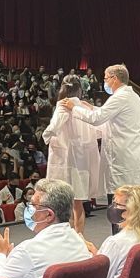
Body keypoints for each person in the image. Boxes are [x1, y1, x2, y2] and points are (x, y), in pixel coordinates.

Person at [60, 64, 140, 202]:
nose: (104, 82)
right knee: (130, 204)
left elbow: (97, 119)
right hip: (130, 154)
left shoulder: (120, 97)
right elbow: (109, 120)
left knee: (121, 206)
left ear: (114, 78)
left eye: (105, 79)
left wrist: (74, 108)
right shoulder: (133, 96)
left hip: (121, 157)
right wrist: (92, 108)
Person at [43, 75, 106, 232]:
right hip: (84, 159)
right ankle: (80, 236)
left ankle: (70, 236)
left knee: (67, 203)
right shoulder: (84, 106)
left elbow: (55, 125)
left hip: (68, 159)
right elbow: (99, 128)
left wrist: (46, 135)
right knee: (78, 204)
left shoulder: (63, 105)